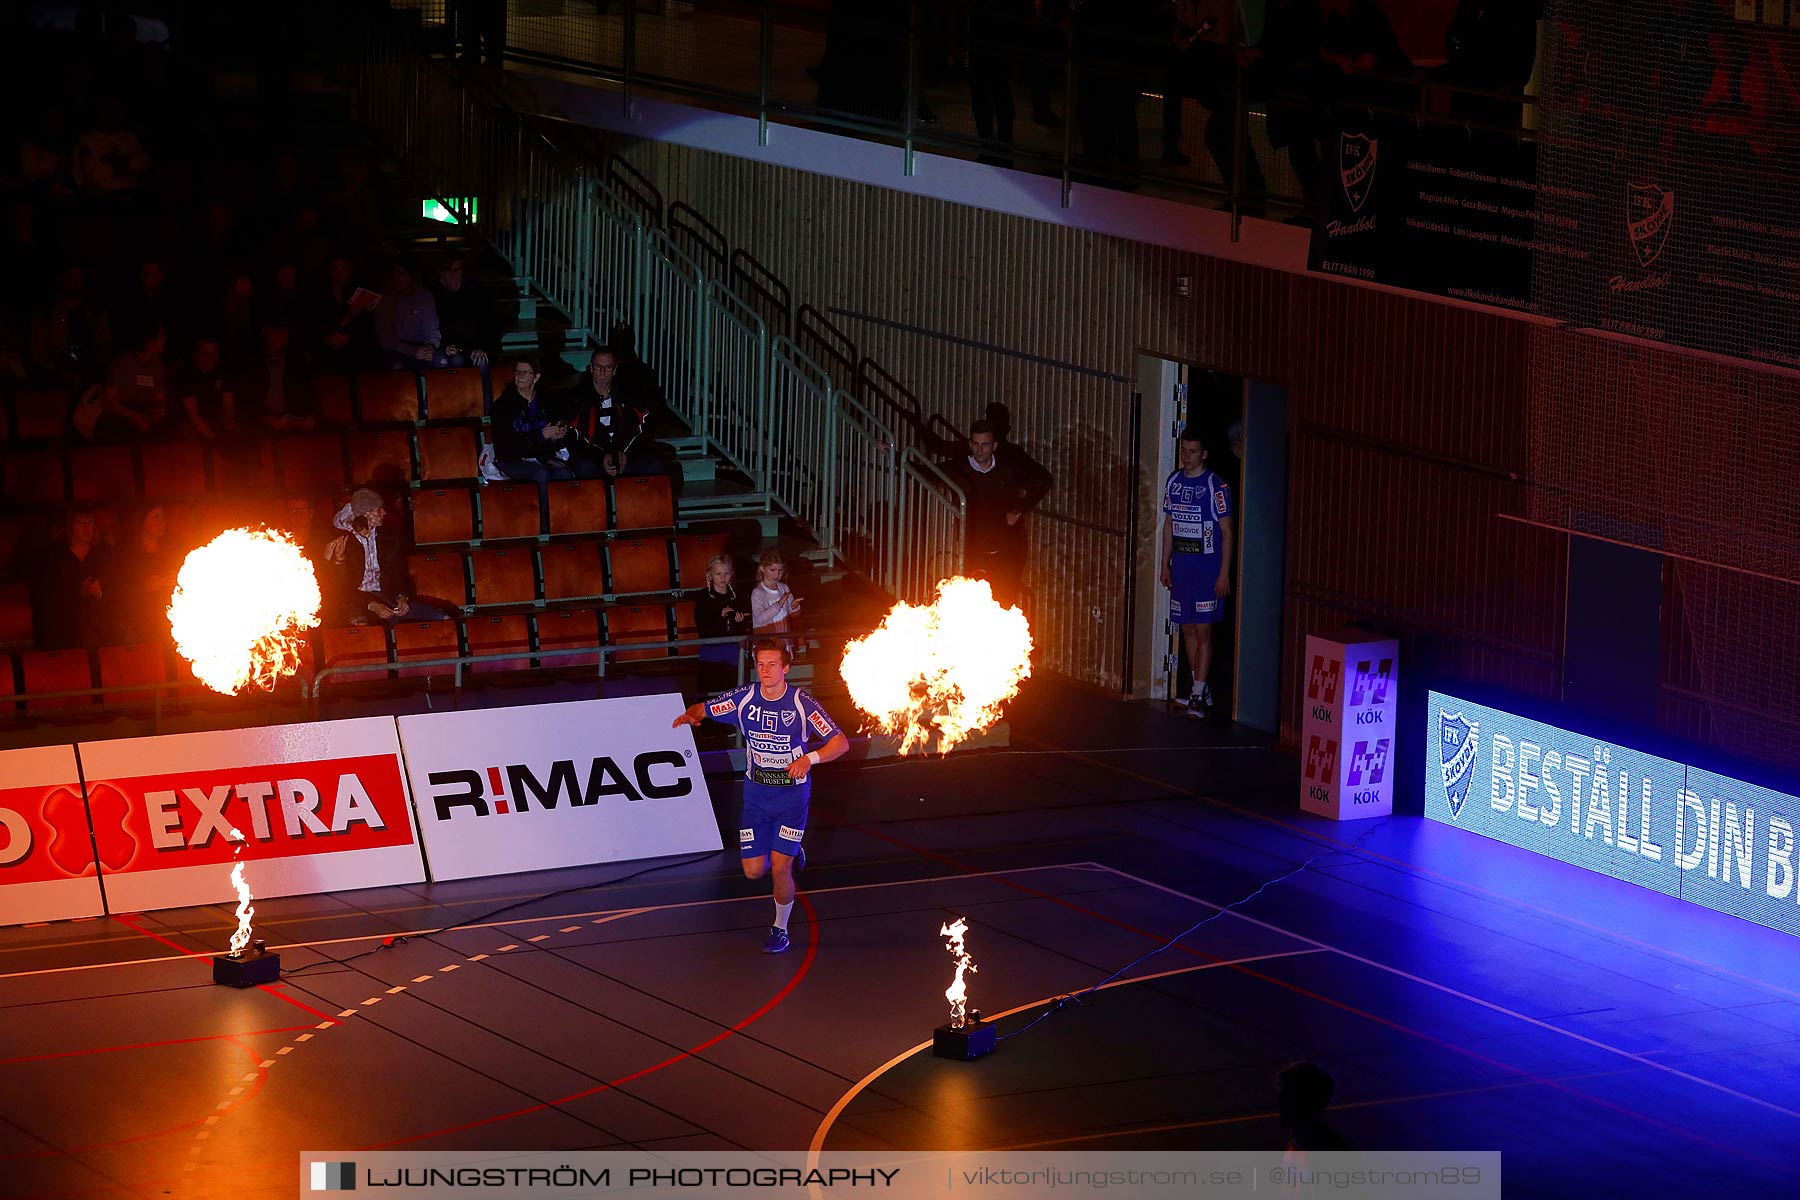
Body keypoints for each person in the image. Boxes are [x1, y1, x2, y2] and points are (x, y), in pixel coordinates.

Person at [672, 639, 850, 955]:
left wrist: (809, 759)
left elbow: (840, 742)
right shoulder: (745, 698)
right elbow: (707, 708)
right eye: (761, 664)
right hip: (755, 796)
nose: (765, 671)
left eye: (772, 665)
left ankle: (779, 929)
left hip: (792, 799)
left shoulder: (801, 704)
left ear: (786, 668)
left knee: (780, 868)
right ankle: (789, 851)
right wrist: (692, 715)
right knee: (753, 871)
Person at [1159, 427, 1233, 718]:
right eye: (1183, 451)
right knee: (1187, 628)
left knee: (1204, 630)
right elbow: (1169, 524)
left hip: (1207, 570)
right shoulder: (1174, 481)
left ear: (1203, 454)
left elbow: (1227, 533)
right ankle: (1198, 689)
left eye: (1192, 452)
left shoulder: (1216, 486)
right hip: (1183, 569)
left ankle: (1199, 696)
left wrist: (1223, 573)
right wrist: (1165, 563)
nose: (1186, 457)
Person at [941, 418, 1052, 608]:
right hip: (974, 547)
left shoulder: (1008, 470)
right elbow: (926, 470)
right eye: (976, 444)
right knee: (973, 602)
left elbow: (1044, 481)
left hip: (1007, 550)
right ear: (970, 444)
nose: (980, 449)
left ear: (994, 446)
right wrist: (893, 453)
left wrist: (1019, 510)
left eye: (985, 444)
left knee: (1004, 600)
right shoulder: (958, 468)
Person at [328, 488, 452, 625]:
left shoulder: (389, 536)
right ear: (366, 514)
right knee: (362, 625)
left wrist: (403, 597)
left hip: (386, 596)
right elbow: (340, 587)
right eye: (379, 509)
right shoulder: (343, 540)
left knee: (440, 617)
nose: (384, 513)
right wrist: (372, 604)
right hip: (356, 601)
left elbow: (401, 573)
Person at [562, 347, 663, 477]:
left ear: (614, 370)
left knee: (653, 465)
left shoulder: (627, 395)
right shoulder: (577, 398)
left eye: (608, 367)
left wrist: (624, 452)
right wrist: (602, 454)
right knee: (585, 468)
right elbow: (575, 435)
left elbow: (643, 425)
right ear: (591, 369)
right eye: (598, 367)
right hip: (592, 454)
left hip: (624, 452)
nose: (603, 371)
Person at [491, 354, 576, 507]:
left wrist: (557, 437)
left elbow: (556, 432)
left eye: (525, 372)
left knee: (564, 473)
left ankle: (563, 519)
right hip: (511, 459)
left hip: (540, 456)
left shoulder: (547, 401)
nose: (519, 376)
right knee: (540, 474)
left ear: (536, 377)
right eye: (517, 372)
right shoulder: (503, 405)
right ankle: (544, 523)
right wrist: (540, 435)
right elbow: (504, 446)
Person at [692, 552, 751, 693]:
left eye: (726, 574)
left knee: (731, 691)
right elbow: (701, 625)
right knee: (710, 692)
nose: (723, 578)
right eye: (718, 574)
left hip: (731, 651)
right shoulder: (703, 596)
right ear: (710, 575)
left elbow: (742, 627)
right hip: (711, 652)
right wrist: (720, 616)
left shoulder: (738, 596)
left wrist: (740, 621)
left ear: (732, 574)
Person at [1277, 1061, 1352, 1163]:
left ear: (1306, 1101)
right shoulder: (1303, 1141)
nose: (1278, 1103)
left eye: (1286, 1096)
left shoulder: (1321, 1151)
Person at [751, 548, 802, 638]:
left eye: (780, 570)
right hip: (767, 643)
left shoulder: (784, 588)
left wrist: (794, 607)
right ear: (762, 568)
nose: (777, 575)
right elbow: (759, 619)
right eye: (772, 570)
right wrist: (778, 605)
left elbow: (791, 614)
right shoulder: (758, 593)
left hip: (784, 640)